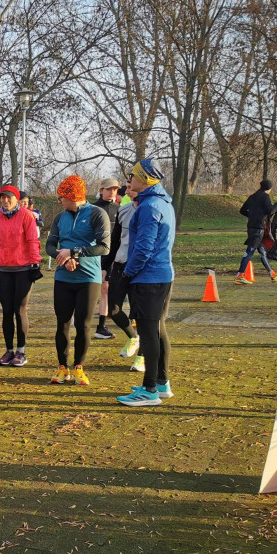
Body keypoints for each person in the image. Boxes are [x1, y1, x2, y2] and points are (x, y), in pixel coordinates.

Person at [117, 159, 176, 407]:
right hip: (161, 275)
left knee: (148, 333)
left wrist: (128, 273)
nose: (130, 179)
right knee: (158, 330)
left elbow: (143, 248)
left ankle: (149, 389)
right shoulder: (162, 202)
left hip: (149, 278)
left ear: (146, 179)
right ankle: (161, 383)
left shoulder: (149, 206)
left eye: (134, 175)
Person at [45, 176, 111, 386]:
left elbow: (104, 247)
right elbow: (49, 246)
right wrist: (62, 259)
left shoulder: (96, 214)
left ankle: (79, 367)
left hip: (88, 279)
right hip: (63, 277)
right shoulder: (59, 218)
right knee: (62, 323)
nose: (59, 201)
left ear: (73, 196)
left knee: (83, 324)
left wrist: (74, 253)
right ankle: (62, 367)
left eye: (61, 197)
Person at [0, 184, 41, 367]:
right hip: (4, 269)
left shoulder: (26, 215)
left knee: (20, 309)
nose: (5, 200)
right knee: (6, 311)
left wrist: (35, 263)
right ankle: (9, 350)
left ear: (16, 198)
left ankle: (21, 351)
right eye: (2, 197)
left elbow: (32, 240)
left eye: (9, 197)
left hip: (23, 269)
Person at [107, 187, 144, 371]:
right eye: (127, 187)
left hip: (140, 268)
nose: (129, 191)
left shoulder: (149, 209)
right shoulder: (123, 210)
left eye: (132, 187)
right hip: (120, 265)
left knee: (142, 316)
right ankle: (133, 337)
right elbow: (115, 240)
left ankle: (142, 357)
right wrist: (107, 265)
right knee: (113, 309)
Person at [235, 179, 277, 284]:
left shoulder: (252, 197)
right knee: (249, 251)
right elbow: (270, 211)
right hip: (258, 229)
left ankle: (272, 274)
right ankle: (239, 276)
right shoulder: (265, 197)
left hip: (251, 227)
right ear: (269, 189)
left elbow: (242, 210)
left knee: (262, 251)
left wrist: (253, 217)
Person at [92, 178, 121, 340]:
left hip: (111, 257)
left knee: (105, 290)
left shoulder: (120, 210)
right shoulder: (92, 209)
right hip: (93, 256)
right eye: (109, 189)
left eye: (115, 189)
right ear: (101, 189)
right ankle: (77, 318)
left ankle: (101, 326)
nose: (112, 192)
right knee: (87, 290)